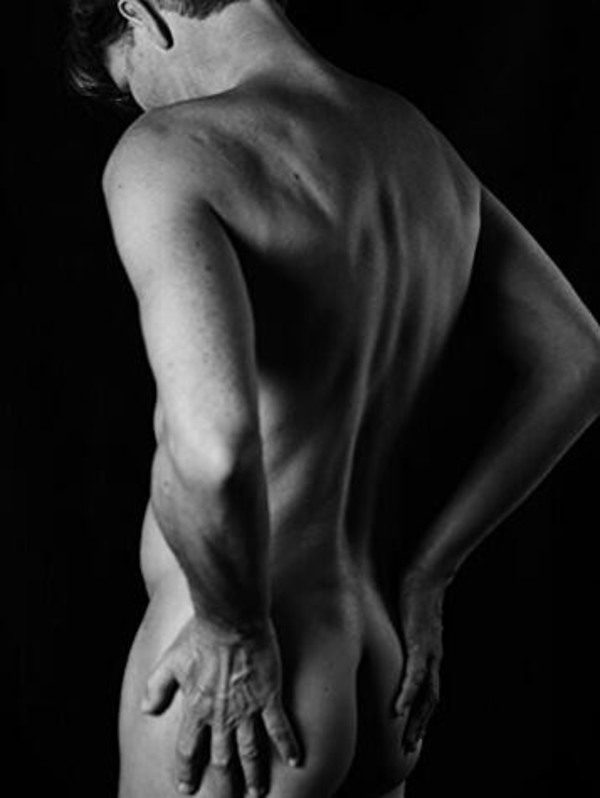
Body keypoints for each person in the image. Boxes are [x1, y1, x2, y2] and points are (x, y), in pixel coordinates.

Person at [67, 1, 600, 796]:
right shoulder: (418, 147)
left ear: (140, 13)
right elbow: (580, 357)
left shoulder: (171, 150)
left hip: (249, 672)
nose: (141, 105)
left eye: (126, 82)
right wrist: (431, 572)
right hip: (377, 657)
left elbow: (211, 448)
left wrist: (231, 628)